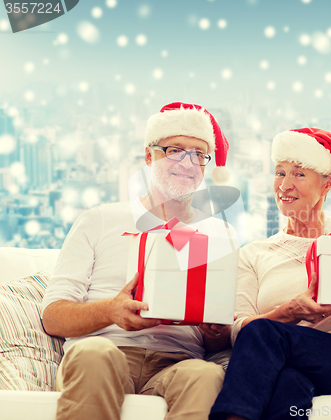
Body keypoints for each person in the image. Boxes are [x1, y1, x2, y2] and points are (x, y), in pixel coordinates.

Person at [42, 102, 234, 420]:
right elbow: (53, 318)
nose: (188, 162)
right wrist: (111, 311)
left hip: (177, 362)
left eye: (199, 154)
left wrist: (214, 329)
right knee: (93, 354)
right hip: (104, 351)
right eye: (175, 150)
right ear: (149, 156)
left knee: (206, 376)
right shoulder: (100, 219)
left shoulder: (219, 234)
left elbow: (219, 342)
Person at [210, 128, 331, 420]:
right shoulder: (254, 254)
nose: (285, 185)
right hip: (287, 363)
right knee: (289, 382)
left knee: (264, 333)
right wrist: (290, 311)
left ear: (327, 185)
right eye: (280, 173)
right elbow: (240, 332)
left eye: (299, 174)